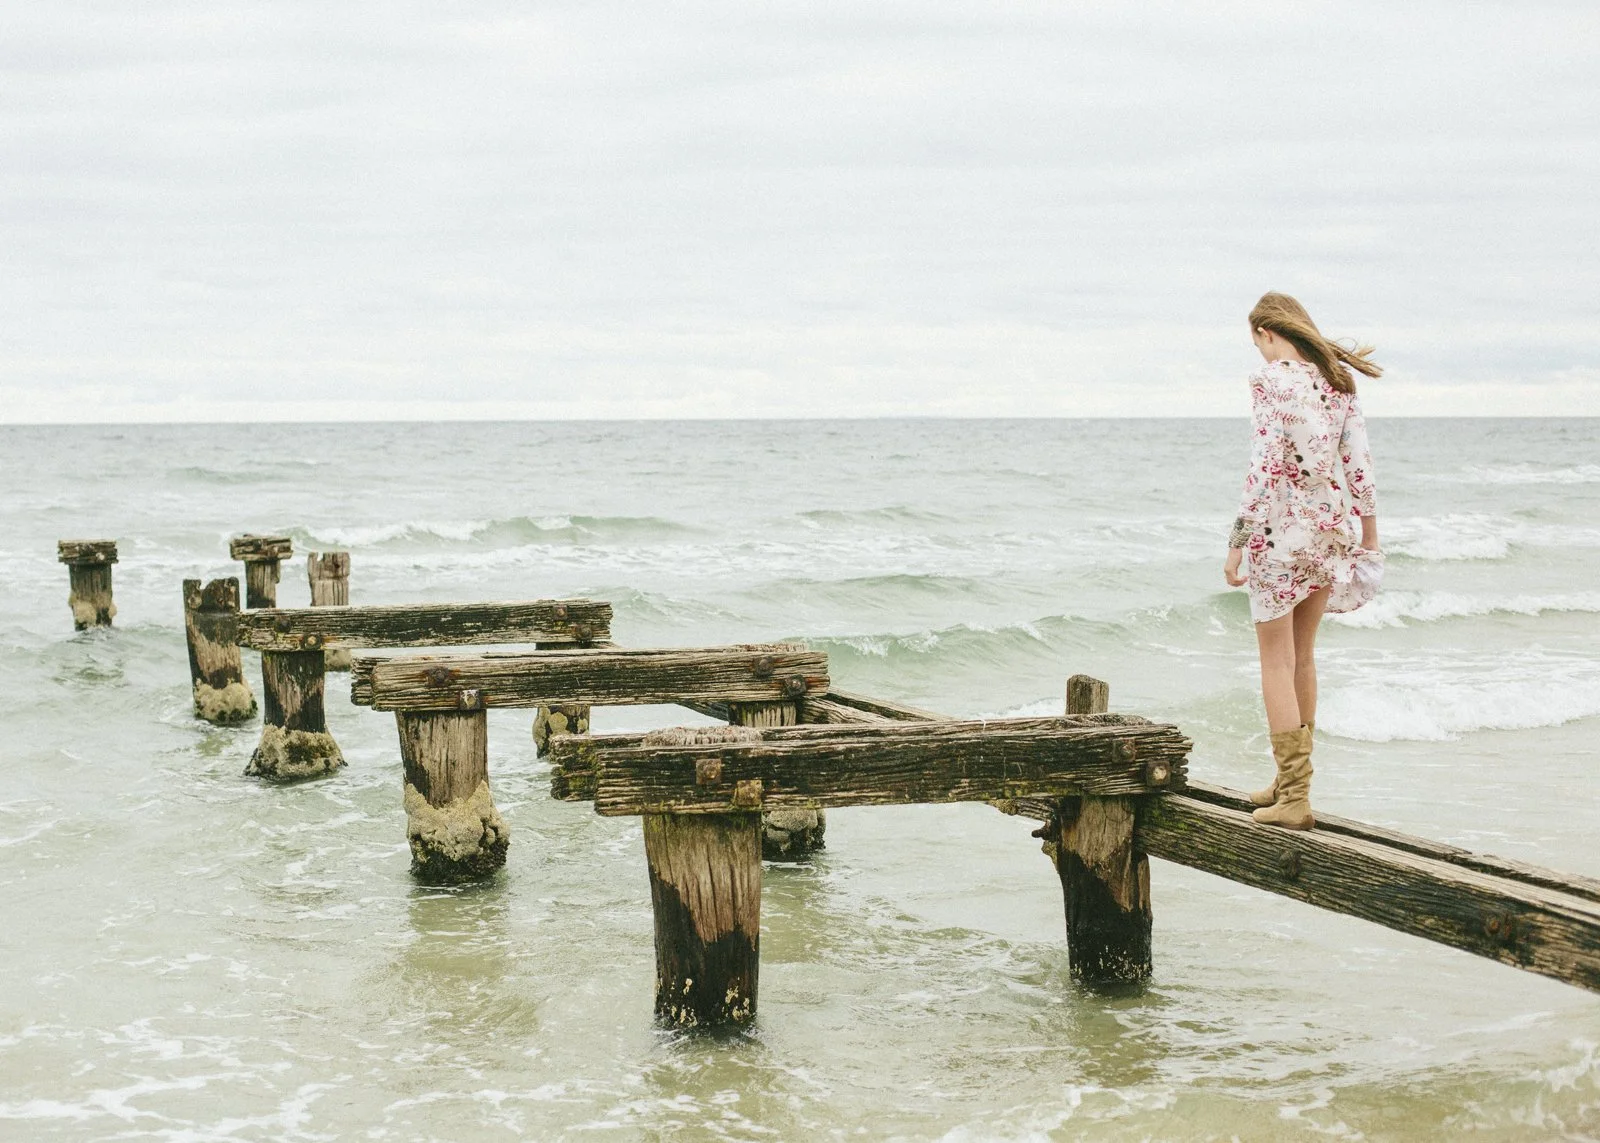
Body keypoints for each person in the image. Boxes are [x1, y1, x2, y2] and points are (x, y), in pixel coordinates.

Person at [1224, 292, 1383, 830]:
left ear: (1268, 333)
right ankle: (1287, 785)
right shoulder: (1338, 381)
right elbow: (1358, 464)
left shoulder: (1272, 381)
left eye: (1258, 344)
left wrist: (1238, 538)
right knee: (1304, 657)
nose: (1261, 355)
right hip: (1329, 528)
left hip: (1280, 532)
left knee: (1275, 661)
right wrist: (1370, 537)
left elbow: (1264, 464)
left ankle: (1293, 797)